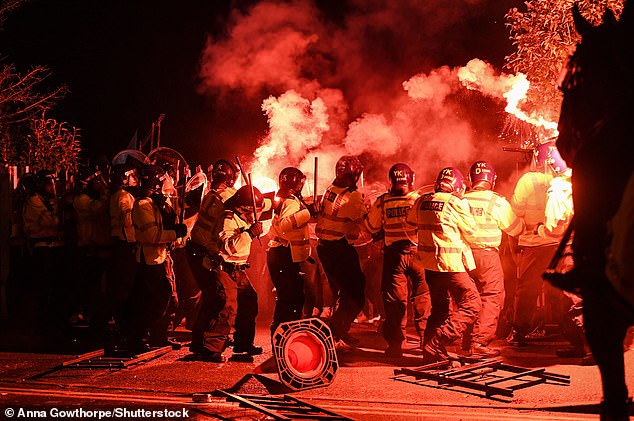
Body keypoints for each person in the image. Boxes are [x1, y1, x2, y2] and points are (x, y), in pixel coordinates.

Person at [407, 167, 482, 363]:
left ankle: (430, 355)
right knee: (472, 303)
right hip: (451, 265)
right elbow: (472, 232)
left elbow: (410, 221)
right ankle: (439, 340)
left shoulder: (422, 200)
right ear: (457, 186)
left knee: (439, 309)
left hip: (430, 266)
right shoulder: (455, 203)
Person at [187, 185, 264, 362]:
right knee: (225, 306)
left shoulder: (241, 217)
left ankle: (243, 344)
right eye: (252, 209)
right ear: (242, 207)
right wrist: (250, 234)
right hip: (223, 267)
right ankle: (211, 349)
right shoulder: (227, 219)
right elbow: (228, 246)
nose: (255, 213)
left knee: (248, 301)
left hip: (237, 269)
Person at [506, 141, 569, 347]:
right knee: (559, 289)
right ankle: (566, 331)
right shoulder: (566, 179)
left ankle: (520, 331)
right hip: (559, 244)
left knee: (527, 289)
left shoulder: (528, 180)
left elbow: (515, 210)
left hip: (534, 244)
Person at [364, 163, 430, 357]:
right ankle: (426, 343)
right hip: (419, 255)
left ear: (390, 181)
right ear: (412, 179)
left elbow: (370, 227)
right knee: (423, 298)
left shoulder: (383, 201)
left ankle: (395, 345)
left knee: (395, 301)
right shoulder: (419, 200)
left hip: (394, 256)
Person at [120, 164, 188, 354]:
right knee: (154, 301)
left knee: (169, 299)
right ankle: (139, 337)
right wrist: (174, 233)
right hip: (150, 260)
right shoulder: (143, 205)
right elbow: (151, 236)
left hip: (161, 257)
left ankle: (159, 336)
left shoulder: (154, 203)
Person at [463, 161, 524, 358]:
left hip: (463, 256)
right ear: (492, 180)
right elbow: (515, 229)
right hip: (488, 256)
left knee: (468, 297)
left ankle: (467, 339)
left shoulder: (460, 200)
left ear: (470, 178)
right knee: (492, 296)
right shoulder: (496, 202)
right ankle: (479, 342)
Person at [316, 155, 367, 346]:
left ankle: (338, 331)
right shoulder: (352, 197)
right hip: (340, 249)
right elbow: (365, 221)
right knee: (356, 295)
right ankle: (335, 334)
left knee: (343, 292)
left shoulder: (330, 190)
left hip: (325, 248)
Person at [267, 167, 318, 334]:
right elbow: (284, 225)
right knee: (289, 297)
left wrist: (309, 211)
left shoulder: (285, 199)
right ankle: (282, 334)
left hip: (284, 254)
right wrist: (307, 213)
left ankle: (287, 332)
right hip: (284, 254)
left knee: (292, 296)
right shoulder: (290, 201)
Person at [22, 170, 68, 331]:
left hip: (55, 248)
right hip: (42, 249)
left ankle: (53, 319)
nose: (52, 187)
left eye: (53, 183)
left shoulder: (52, 201)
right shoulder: (33, 201)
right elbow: (52, 222)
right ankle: (40, 321)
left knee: (56, 285)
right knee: (43, 286)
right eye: (49, 184)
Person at [107, 163, 139, 330]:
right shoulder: (124, 197)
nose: (134, 179)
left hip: (118, 243)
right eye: (130, 175)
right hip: (125, 244)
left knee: (119, 284)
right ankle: (124, 323)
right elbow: (128, 221)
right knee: (125, 284)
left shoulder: (115, 195)